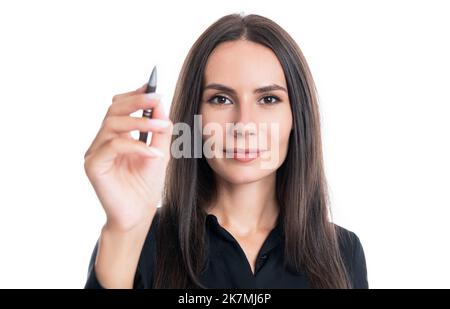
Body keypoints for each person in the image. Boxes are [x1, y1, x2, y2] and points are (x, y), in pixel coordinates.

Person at [83, 13, 368, 289]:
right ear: (194, 117)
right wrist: (123, 231)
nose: (243, 125)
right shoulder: (138, 238)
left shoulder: (343, 252)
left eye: (268, 99)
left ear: (297, 117)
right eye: (220, 99)